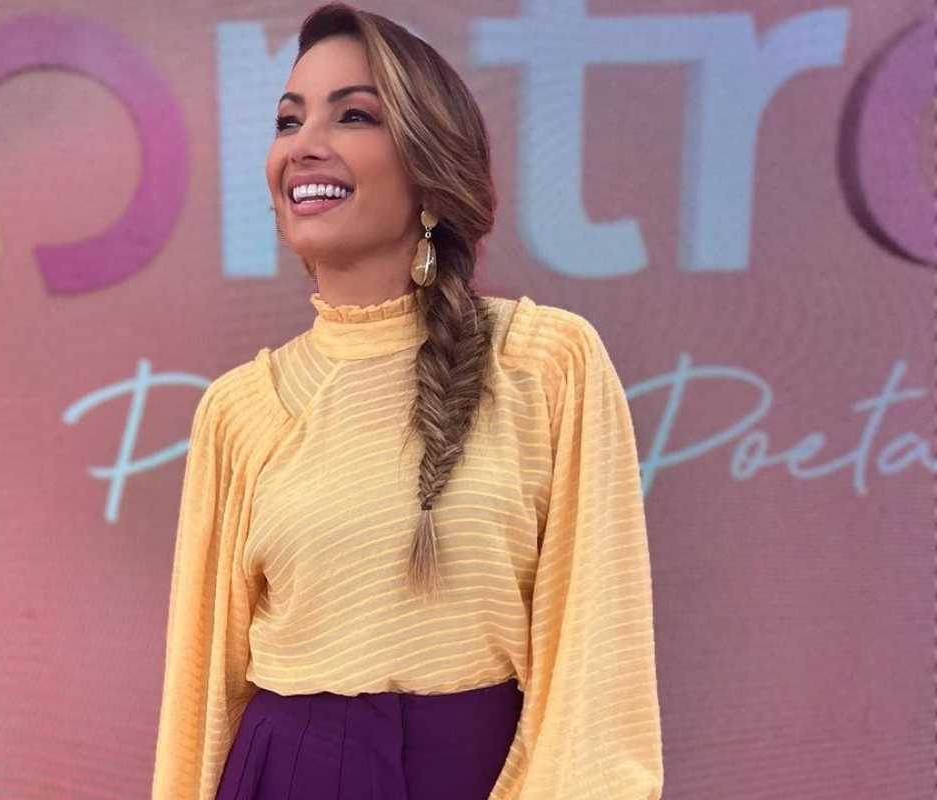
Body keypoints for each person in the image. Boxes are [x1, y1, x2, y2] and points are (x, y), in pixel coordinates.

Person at [150, 3, 664, 798]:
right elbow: (200, 702)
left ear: (430, 174)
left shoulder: (545, 363)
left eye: (353, 114)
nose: (303, 143)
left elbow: (596, 666)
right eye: (288, 120)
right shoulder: (239, 409)